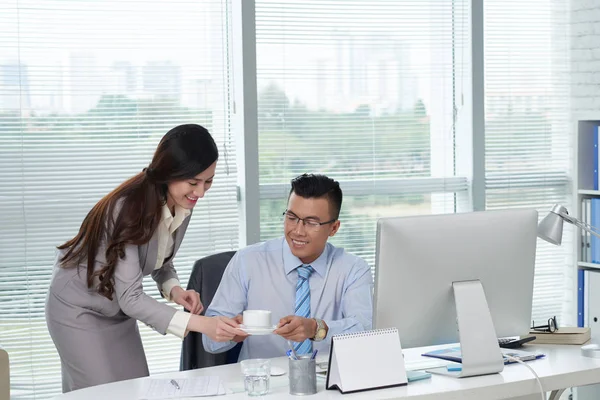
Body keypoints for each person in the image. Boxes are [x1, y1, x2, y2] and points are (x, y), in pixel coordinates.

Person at [45, 124, 242, 392]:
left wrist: (175, 290)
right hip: (78, 309)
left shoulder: (182, 201)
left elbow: (160, 258)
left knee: (136, 389)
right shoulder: (128, 209)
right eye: (193, 182)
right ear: (170, 172)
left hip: (117, 307)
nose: (201, 192)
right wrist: (204, 325)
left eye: (208, 181)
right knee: (102, 393)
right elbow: (132, 298)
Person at [203, 173, 373, 360]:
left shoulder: (353, 269)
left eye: (311, 223)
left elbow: (364, 330)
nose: (298, 231)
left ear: (333, 228)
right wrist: (231, 333)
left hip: (326, 380)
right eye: (292, 217)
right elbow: (209, 341)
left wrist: (316, 328)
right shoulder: (247, 261)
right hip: (263, 380)